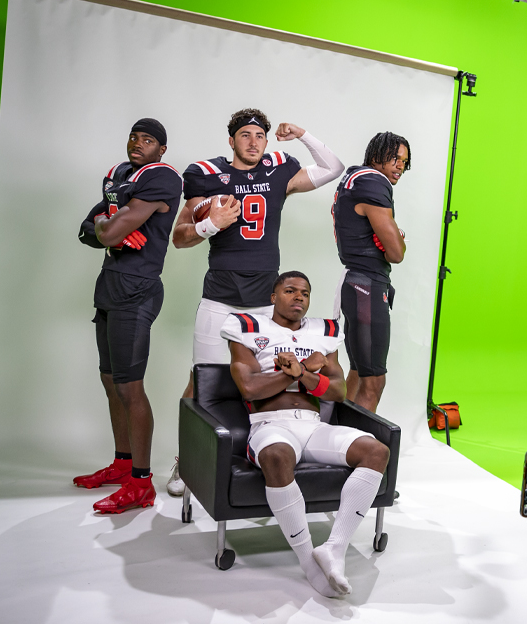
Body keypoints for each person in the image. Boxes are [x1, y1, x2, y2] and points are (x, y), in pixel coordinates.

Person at [167, 108, 345, 497]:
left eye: (260, 136)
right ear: (231, 140)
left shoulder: (278, 171)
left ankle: (262, 453)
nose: (253, 142)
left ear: (267, 141)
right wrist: (211, 224)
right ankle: (187, 460)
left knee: (269, 378)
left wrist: (303, 134)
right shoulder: (207, 174)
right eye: (245, 135)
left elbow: (333, 167)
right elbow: (179, 237)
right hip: (220, 299)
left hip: (265, 307)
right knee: (201, 381)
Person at [223, 271, 390, 598]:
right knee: (275, 456)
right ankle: (307, 560)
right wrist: (299, 373)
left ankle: (334, 549)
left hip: (313, 425)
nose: (299, 297)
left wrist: (301, 373)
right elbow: (250, 388)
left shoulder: (323, 333)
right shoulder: (247, 327)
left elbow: (339, 391)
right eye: (290, 290)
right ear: (273, 297)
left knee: (376, 451)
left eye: (305, 293)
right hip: (270, 424)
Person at [74, 118, 182, 514]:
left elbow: (104, 232)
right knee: (110, 381)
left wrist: (108, 227)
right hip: (109, 286)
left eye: (148, 139)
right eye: (134, 137)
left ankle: (141, 482)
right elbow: (88, 230)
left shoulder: (162, 177)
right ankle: (122, 463)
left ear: (161, 149)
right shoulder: (120, 173)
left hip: (137, 290)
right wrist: (109, 227)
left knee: (130, 388)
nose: (138, 143)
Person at [329, 132, 410, 412]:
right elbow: (396, 254)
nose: (400, 166)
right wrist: (397, 239)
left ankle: (338, 434)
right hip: (367, 286)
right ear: (376, 156)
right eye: (394, 158)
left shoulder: (354, 178)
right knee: (373, 381)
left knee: (358, 372)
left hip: (354, 283)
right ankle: (362, 439)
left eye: (404, 161)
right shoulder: (373, 182)